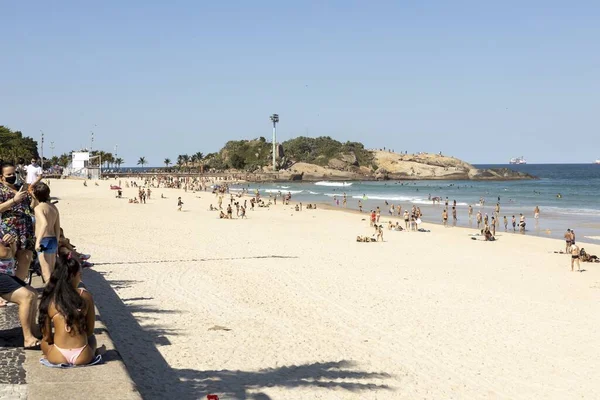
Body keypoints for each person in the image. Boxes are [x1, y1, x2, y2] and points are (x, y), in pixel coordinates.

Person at [39, 254, 96, 365]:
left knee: (44, 343)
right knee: (92, 339)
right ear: (74, 276)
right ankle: (94, 352)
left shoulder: (50, 298)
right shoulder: (85, 296)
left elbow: (47, 336)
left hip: (58, 355)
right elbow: (90, 330)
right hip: (83, 355)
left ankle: (48, 355)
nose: (80, 278)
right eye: (80, 275)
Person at [0, 232, 40, 348]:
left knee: (33, 293)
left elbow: (11, 254)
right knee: (26, 296)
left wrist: (11, 244)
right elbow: (4, 253)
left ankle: (34, 330)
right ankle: (28, 338)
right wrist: (8, 248)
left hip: (6, 273)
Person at [0, 163, 35, 281]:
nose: (12, 176)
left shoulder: (20, 187)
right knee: (8, 258)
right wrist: (14, 200)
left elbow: (31, 206)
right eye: (8, 174)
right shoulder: (1, 189)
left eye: (14, 173)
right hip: (10, 227)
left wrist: (33, 197)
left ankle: (18, 287)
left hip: (26, 227)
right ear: (1, 177)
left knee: (26, 257)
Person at [32, 183, 60, 281]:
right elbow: (57, 227)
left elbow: (44, 223)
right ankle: (55, 294)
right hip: (53, 240)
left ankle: (51, 296)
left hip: (44, 241)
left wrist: (37, 242)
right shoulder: (53, 207)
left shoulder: (38, 208)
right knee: (52, 272)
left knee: (46, 273)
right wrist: (56, 242)